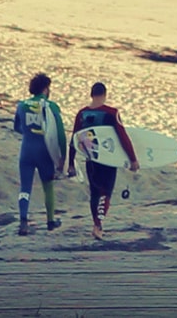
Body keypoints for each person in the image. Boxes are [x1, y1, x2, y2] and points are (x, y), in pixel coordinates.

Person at [69, 82, 139, 240]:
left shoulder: (82, 114)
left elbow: (74, 139)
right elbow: (122, 136)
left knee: (95, 192)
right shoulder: (111, 112)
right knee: (105, 193)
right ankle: (98, 225)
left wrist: (71, 162)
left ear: (91, 95)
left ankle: (96, 224)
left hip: (91, 159)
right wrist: (132, 159)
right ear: (105, 94)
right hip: (108, 159)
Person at [13, 72, 66, 236]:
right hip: (44, 152)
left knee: (25, 187)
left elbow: (16, 127)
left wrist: (29, 134)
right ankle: (50, 221)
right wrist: (62, 157)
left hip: (27, 150)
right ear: (45, 88)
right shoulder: (51, 106)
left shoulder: (21, 105)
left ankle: (23, 221)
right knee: (48, 186)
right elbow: (60, 134)